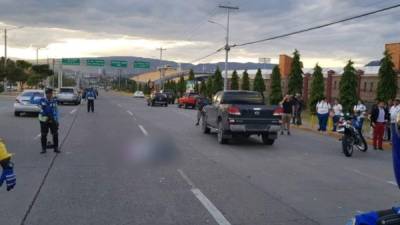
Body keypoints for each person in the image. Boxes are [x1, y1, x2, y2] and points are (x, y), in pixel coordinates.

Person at [33, 88, 60, 154]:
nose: (49, 95)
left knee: (55, 134)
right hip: (43, 120)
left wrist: (57, 120)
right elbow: (32, 101)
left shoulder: (54, 100)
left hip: (52, 119)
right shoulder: (42, 100)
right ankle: (43, 148)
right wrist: (34, 95)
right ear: (46, 94)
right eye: (48, 93)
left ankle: (56, 148)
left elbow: (56, 111)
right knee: (44, 134)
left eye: (50, 93)